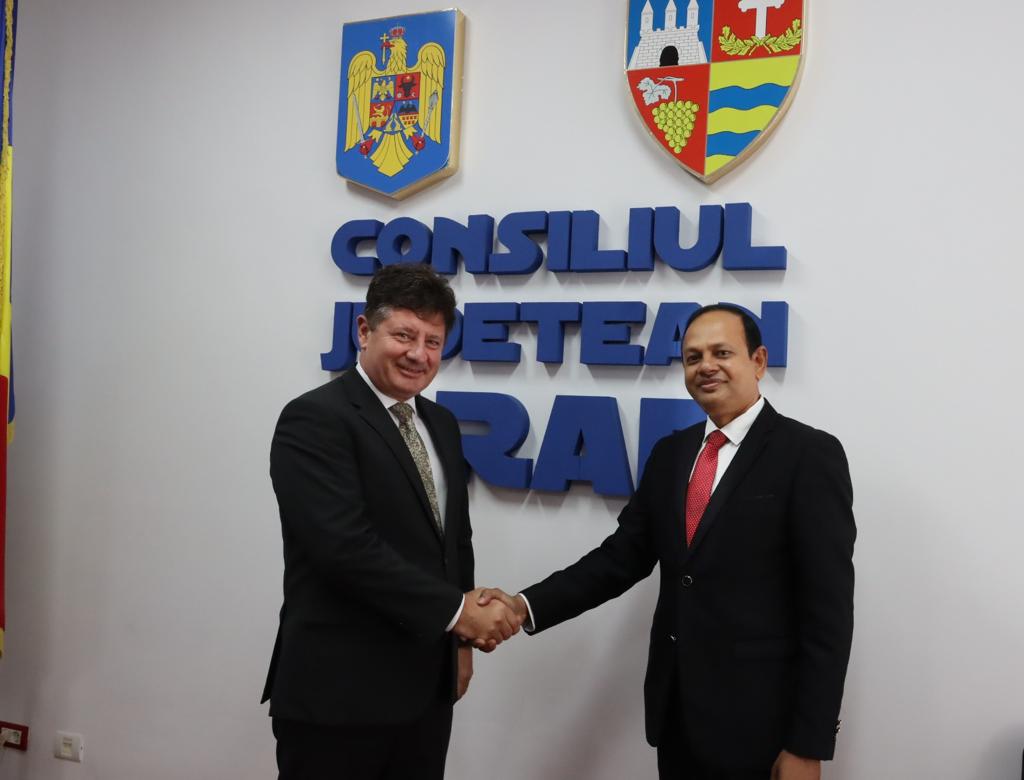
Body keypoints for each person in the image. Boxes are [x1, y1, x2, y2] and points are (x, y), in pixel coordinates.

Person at [481, 305, 856, 780]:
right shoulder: (671, 453)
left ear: (758, 361)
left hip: (763, 726)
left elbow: (828, 613)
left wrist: (808, 743)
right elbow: (620, 558)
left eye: (722, 353)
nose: (706, 366)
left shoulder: (809, 454)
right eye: (693, 357)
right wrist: (521, 606)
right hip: (676, 715)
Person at [262, 263, 521, 780]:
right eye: (404, 335)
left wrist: (459, 645)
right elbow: (343, 548)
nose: (418, 354)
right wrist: (458, 614)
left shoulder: (441, 423)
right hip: (339, 696)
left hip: (424, 691)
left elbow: (454, 543)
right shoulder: (315, 419)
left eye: (433, 341)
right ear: (364, 331)